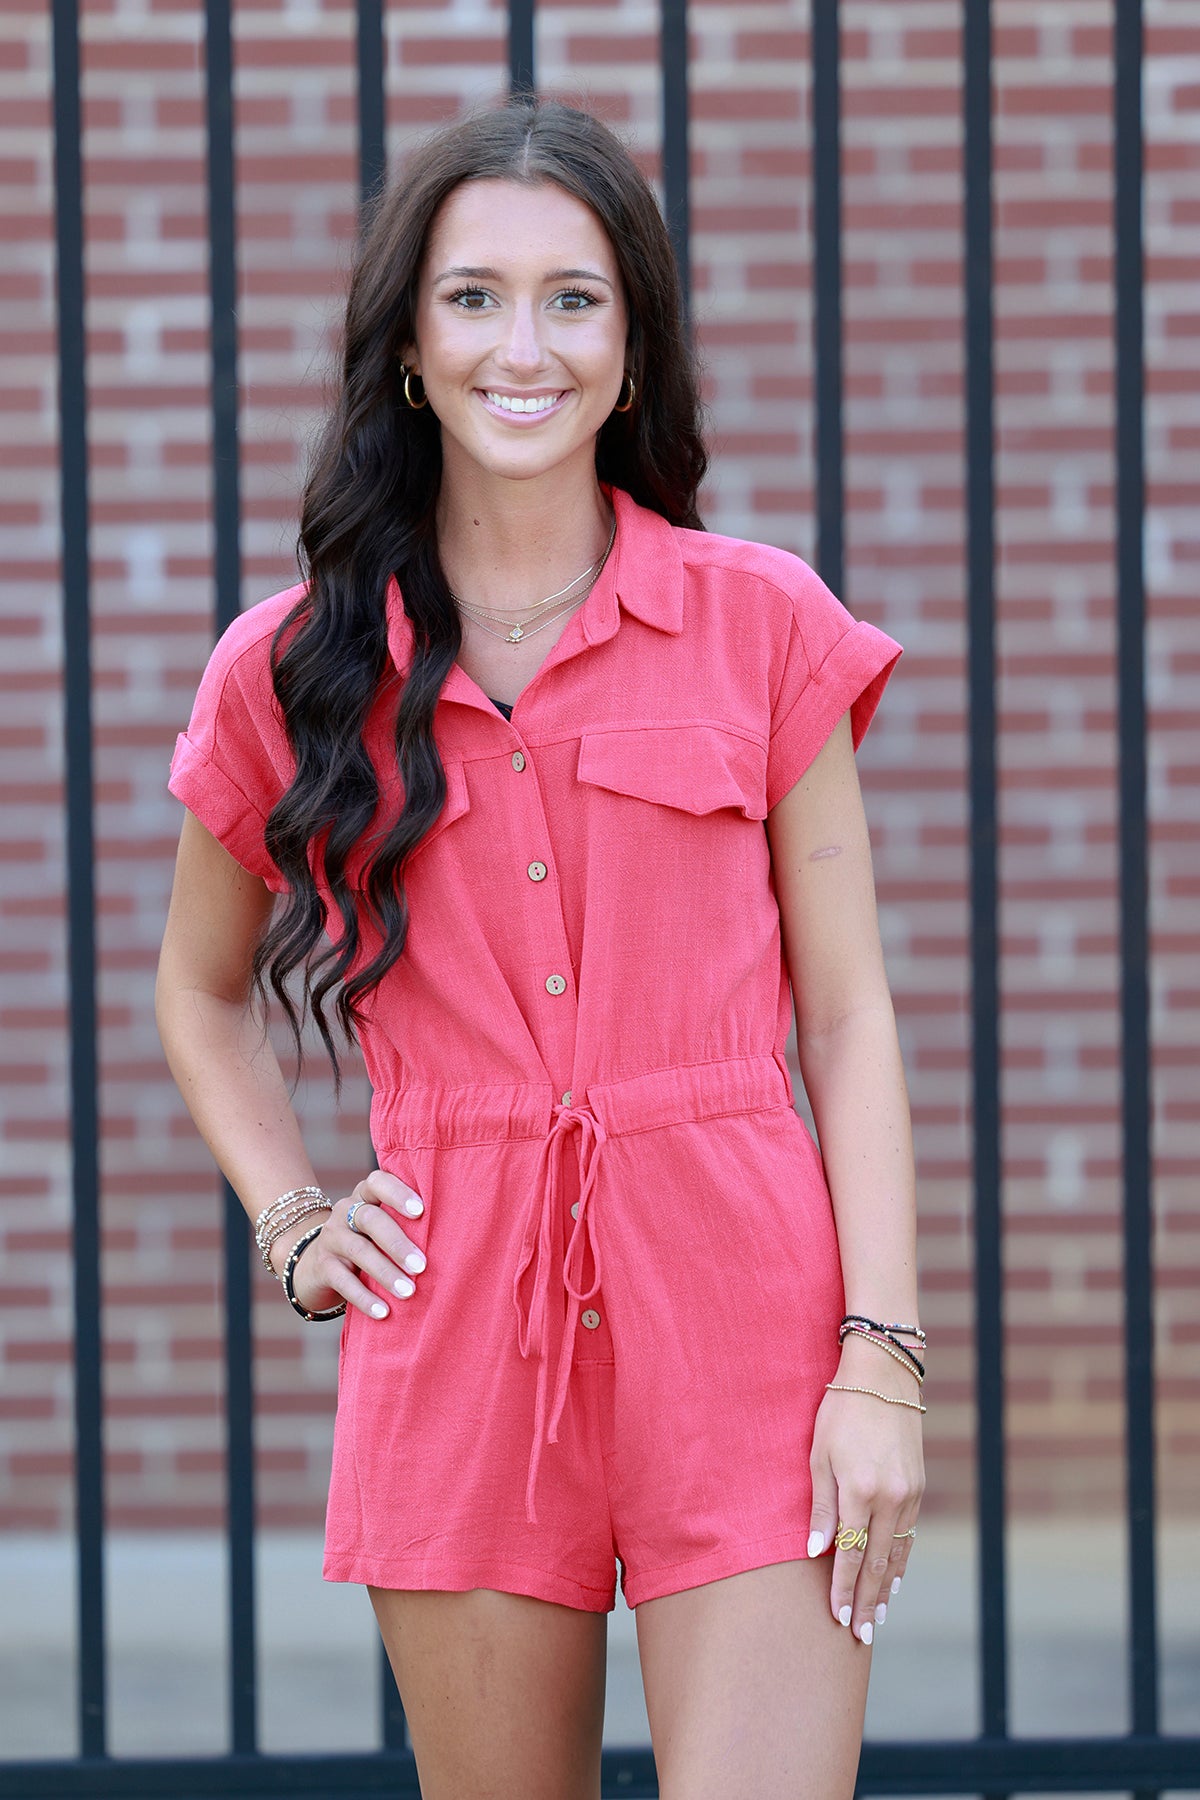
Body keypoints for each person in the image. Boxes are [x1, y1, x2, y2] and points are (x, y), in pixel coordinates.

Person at [156, 97, 924, 1800]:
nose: (528, 344)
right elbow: (198, 994)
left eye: (577, 299)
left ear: (633, 352)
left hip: (749, 1319)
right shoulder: (289, 669)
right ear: (411, 352)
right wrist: (293, 1215)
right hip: (458, 1329)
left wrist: (884, 1357)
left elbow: (853, 1015)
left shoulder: (760, 625)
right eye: (475, 297)